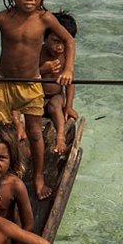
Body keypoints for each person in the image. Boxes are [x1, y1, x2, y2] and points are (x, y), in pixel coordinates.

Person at [0, 0, 76, 200]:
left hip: (32, 83)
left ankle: (38, 176)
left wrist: (69, 69)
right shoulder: (3, 18)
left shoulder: (45, 19)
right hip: (5, 82)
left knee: (34, 132)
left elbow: (69, 42)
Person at [39, 11, 78, 155]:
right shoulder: (38, 52)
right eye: (55, 41)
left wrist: (68, 106)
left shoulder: (66, 56)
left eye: (64, 42)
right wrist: (43, 69)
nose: (60, 47)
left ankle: (60, 137)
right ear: (45, 38)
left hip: (55, 95)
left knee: (56, 105)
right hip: (36, 95)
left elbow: (70, 83)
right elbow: (28, 75)